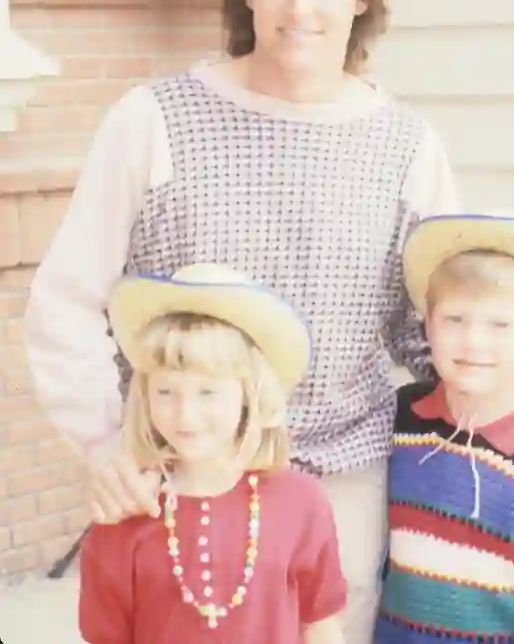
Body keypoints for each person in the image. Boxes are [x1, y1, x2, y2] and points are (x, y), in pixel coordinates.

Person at [25, 0, 460, 644]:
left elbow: (435, 326)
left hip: (338, 478)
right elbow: (66, 297)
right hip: (177, 465)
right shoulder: (153, 120)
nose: (301, 5)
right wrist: (103, 446)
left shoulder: (406, 147)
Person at [79, 262, 347, 644]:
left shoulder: (303, 503)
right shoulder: (123, 521)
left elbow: (321, 625)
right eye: (166, 391)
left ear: (248, 394)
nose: (186, 415)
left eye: (208, 392)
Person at [373, 212, 514, 644]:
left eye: (499, 325)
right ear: (427, 325)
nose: (473, 342)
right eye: (454, 320)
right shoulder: (399, 421)